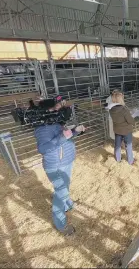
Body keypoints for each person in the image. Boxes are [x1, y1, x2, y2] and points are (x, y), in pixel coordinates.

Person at [34, 96, 85, 236]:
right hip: (56, 165)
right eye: (54, 108)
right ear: (46, 111)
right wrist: (64, 136)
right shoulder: (42, 128)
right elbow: (43, 148)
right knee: (61, 192)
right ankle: (61, 224)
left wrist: (75, 131)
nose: (58, 109)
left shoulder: (55, 122)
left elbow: (64, 135)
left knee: (66, 186)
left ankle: (67, 205)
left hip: (66, 161)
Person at [107, 91, 135, 165]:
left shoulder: (111, 109)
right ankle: (130, 161)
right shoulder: (124, 110)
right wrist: (133, 119)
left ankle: (118, 159)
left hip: (117, 130)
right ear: (120, 99)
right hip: (126, 130)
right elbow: (130, 120)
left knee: (117, 145)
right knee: (128, 145)